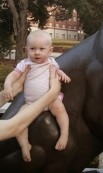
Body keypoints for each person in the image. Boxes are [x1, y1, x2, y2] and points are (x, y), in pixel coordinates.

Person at [1, 30, 71, 162]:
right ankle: (24, 145)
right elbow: (13, 76)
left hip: (51, 101)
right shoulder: (25, 63)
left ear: (50, 50)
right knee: (20, 122)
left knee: (61, 111)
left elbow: (58, 70)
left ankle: (64, 134)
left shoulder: (51, 62)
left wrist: (62, 74)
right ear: (26, 49)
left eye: (41, 49)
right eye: (32, 49)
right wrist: (8, 86)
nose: (37, 52)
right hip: (30, 103)